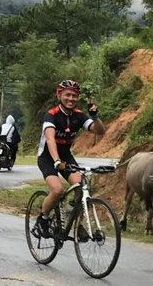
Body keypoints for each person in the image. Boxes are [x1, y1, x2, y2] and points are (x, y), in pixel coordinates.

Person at [35, 80, 105, 241]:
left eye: (74, 96)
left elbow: (100, 131)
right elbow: (50, 139)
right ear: (59, 95)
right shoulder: (51, 115)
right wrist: (56, 161)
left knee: (81, 186)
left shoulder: (79, 116)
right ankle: (43, 219)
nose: (71, 99)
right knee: (57, 190)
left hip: (66, 156)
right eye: (67, 95)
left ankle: (70, 214)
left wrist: (95, 117)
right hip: (47, 156)